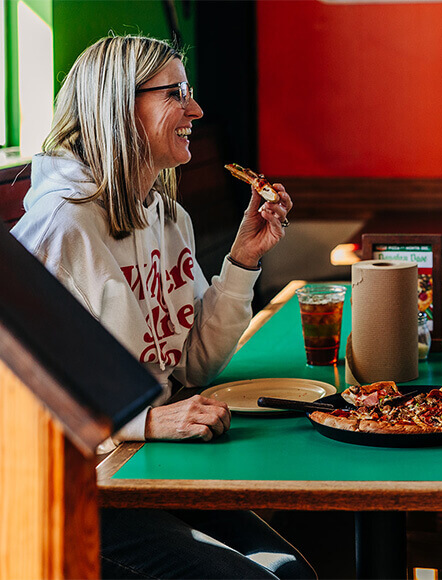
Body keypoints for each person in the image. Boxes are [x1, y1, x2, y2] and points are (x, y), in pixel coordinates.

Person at [11, 35, 315, 579]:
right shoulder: (62, 227)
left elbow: (192, 363)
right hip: (62, 488)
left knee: (290, 573)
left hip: (143, 469)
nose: (196, 109)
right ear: (120, 107)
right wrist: (143, 420)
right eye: (175, 93)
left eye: (190, 90)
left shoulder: (168, 217)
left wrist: (242, 261)